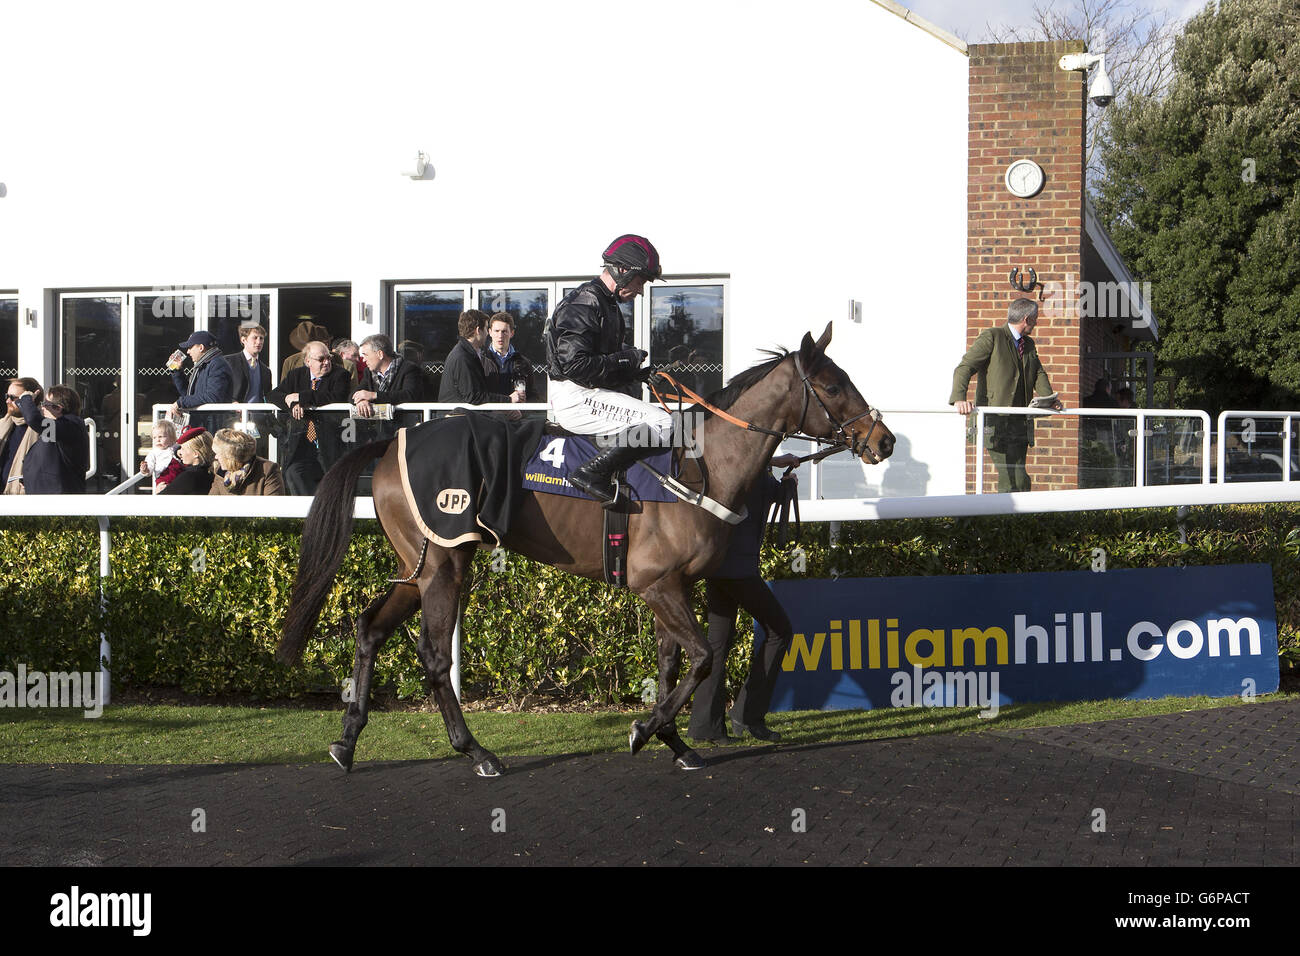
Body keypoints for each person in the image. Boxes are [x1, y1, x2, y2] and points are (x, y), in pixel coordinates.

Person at [543, 234, 672, 503]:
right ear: (622, 270)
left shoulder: (605, 303)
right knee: (661, 421)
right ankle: (590, 474)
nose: (640, 290)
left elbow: (600, 363)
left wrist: (637, 373)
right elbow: (575, 365)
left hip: (587, 392)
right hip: (575, 397)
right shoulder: (584, 301)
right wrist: (625, 359)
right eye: (640, 281)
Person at [688, 454, 800, 745]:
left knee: (717, 644)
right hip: (738, 570)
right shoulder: (749, 468)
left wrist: (783, 481)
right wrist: (777, 471)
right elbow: (761, 487)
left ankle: (705, 726)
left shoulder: (745, 467)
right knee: (780, 630)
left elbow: (766, 492)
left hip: (720, 566)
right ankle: (748, 715)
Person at [949, 298, 1063, 492]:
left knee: (1018, 476)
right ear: (1026, 319)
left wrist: (1049, 399)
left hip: (1020, 425)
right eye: (1035, 319)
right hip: (995, 423)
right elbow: (964, 368)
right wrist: (959, 399)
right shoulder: (992, 337)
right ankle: (1008, 519)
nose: (1036, 323)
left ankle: (1014, 519)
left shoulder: (1028, 344)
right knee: (1014, 479)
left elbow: (1037, 372)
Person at [269, 341, 352, 495]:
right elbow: (274, 395)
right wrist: (293, 403)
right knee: (293, 473)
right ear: (308, 361)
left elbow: (335, 396)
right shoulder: (296, 374)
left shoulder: (340, 374)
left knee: (331, 483)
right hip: (301, 443)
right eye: (321, 359)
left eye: (328, 358)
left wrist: (302, 397)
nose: (327, 362)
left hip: (329, 442)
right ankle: (307, 514)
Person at [15, 384, 88, 494]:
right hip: (47, 499)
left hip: (59, 503)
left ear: (58, 408)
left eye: (45, 404)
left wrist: (26, 399)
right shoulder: (60, 428)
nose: (42, 407)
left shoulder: (70, 426)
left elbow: (34, 420)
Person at [438, 310, 517, 410]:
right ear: (478, 330)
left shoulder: (466, 354)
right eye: (485, 329)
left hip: (462, 417)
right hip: (458, 420)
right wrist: (509, 400)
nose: (487, 334)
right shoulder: (462, 357)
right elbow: (474, 396)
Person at [352, 334, 427, 436]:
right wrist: (361, 400)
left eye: (365, 355)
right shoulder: (369, 373)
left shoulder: (409, 369)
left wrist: (374, 395)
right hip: (379, 434)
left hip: (405, 432)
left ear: (380, 354)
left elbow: (409, 394)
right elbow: (353, 394)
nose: (363, 360)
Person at [169, 330, 234, 435]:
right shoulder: (204, 364)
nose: (188, 352)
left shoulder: (217, 364)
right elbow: (189, 394)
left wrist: (180, 403)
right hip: (203, 425)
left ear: (201, 347)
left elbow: (213, 396)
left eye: (190, 347)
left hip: (213, 427)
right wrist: (177, 371)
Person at [481, 311, 539, 402]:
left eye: (504, 331)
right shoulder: (480, 360)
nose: (500, 336)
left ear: (512, 333)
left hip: (517, 415)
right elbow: (478, 395)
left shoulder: (523, 363)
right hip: (488, 415)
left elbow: (534, 396)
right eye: (496, 331)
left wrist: (522, 408)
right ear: (490, 332)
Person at [209, 427, 284, 496]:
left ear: (230, 457)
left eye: (219, 453)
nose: (216, 457)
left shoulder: (267, 470)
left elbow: (273, 506)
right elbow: (211, 505)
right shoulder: (220, 473)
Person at [1, 377, 42, 495]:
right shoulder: (4, 425)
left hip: (23, 499)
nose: (8, 401)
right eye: (6, 396)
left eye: (13, 398)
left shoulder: (42, 427)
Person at [225, 324, 273, 405]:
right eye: (255, 337)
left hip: (260, 416)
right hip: (234, 415)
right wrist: (232, 403)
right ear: (243, 340)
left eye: (261, 338)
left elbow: (268, 396)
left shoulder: (266, 371)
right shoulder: (229, 362)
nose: (259, 342)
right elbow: (220, 390)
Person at [158, 427, 215, 495]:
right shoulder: (210, 473)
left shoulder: (189, 476)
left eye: (183, 448)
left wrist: (158, 492)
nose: (180, 453)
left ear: (195, 453)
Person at [140, 419, 184, 492]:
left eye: (161, 436)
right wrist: (145, 469)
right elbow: (150, 468)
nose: (157, 440)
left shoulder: (177, 447)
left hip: (179, 478)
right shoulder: (153, 453)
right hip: (164, 479)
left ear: (171, 437)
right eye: (154, 437)